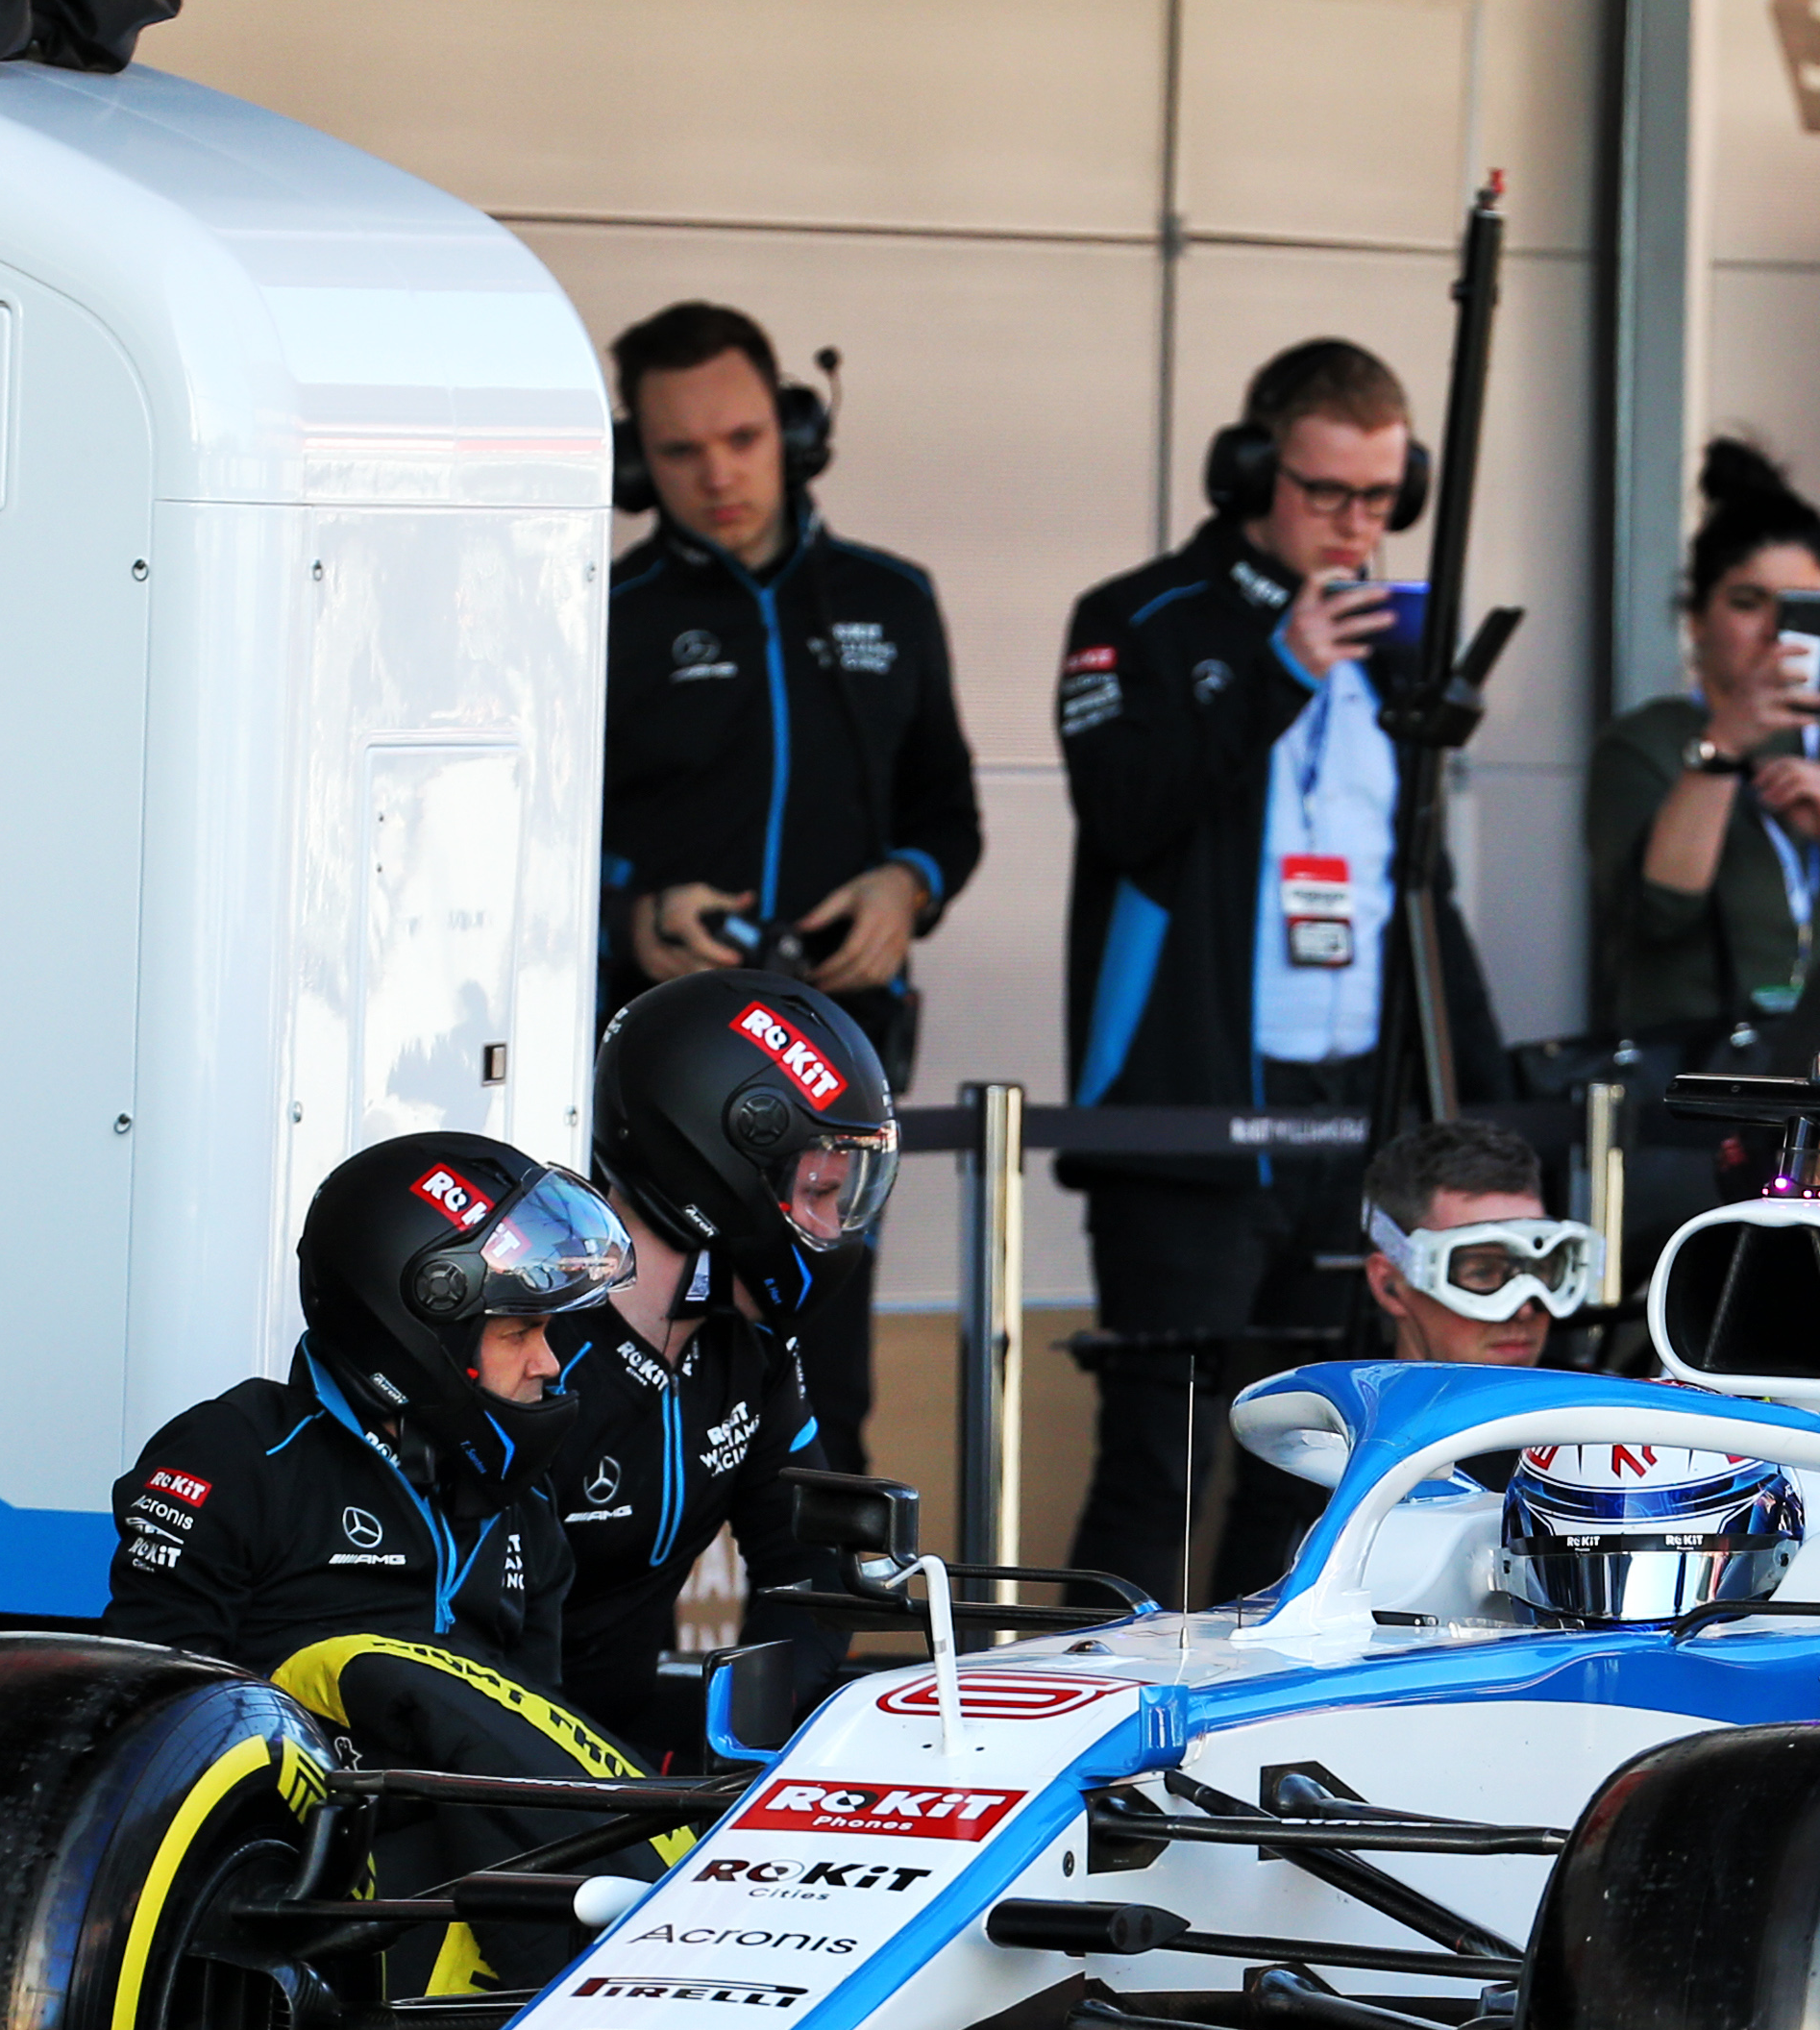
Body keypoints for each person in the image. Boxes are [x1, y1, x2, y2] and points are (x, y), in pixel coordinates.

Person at [1055, 335, 1506, 1609]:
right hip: (1184, 1122)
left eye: (1380, 499)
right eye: (1325, 495)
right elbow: (1126, 810)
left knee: (1316, 1468)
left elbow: (1420, 885)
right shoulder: (1137, 620)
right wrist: (1278, 672)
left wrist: (1480, 1103)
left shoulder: (1396, 647)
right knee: (1161, 1458)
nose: (1355, 527)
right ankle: (1101, 1755)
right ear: (1252, 473)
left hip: (1355, 1120)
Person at [107, 1134, 659, 2030]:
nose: (550, 1364)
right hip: (288, 1932)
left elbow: (530, 1753)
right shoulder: (231, 1456)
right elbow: (157, 1733)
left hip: (493, 1905)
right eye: (519, 1331)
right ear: (424, 1328)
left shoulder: (523, 1503)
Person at [597, 299, 984, 1479]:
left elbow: (949, 818)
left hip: (832, 1085)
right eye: (678, 451)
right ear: (633, 461)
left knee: (824, 1406)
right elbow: (539, 825)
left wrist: (903, 888)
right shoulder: (603, 611)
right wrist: (631, 906)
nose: (717, 474)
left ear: (796, 432)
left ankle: (817, 1660)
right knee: (618, 1393)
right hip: (652, 1089)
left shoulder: (892, 600)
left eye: (743, 439)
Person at [550, 985, 903, 1760]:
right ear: (712, 1160)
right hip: (481, 1778)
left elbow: (809, 1562)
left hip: (620, 1747)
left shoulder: (751, 1354)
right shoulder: (533, 1348)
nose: (829, 1228)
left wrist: (743, 1738)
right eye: (816, 1192)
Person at [1586, 441, 1820, 1057]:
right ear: (1695, 618)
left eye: (1803, 609)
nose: (1776, 633)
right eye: (1748, 604)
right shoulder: (1644, 743)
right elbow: (1657, 917)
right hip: (1697, 1073)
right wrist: (1721, 750)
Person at [1361, 1117, 1596, 1372]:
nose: (1524, 1309)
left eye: (1540, 1270)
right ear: (1388, 1285)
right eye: (1483, 1272)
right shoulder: (1337, 1410)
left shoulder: (1603, 1409)